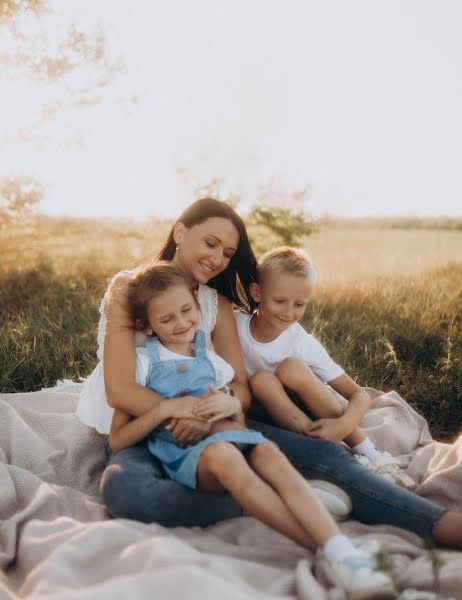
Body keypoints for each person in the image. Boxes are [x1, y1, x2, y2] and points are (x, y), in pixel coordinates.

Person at [77, 197, 462, 555]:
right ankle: (275, 498)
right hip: (142, 427)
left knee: (323, 452)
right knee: (127, 492)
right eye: (210, 243)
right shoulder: (128, 289)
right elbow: (120, 389)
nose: (217, 259)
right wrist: (184, 411)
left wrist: (228, 401)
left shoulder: (216, 303)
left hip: (213, 424)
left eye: (227, 253)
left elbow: (240, 387)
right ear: (180, 232)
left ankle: (437, 522)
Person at [107, 261, 396, 598]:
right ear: (148, 325)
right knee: (225, 456)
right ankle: (334, 556)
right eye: (167, 319)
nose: (182, 323)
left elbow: (239, 422)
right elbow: (118, 439)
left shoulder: (211, 361)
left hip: (228, 436)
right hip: (188, 455)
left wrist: (230, 405)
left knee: (268, 452)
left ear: (196, 305)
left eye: (187, 310)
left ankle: (342, 549)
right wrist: (164, 410)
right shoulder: (143, 364)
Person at [235, 246, 416, 489]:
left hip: (302, 412)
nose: (289, 312)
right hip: (256, 409)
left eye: (299, 304)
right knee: (261, 381)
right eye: (280, 301)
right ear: (256, 292)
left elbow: (358, 395)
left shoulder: (300, 343)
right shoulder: (234, 325)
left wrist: (344, 424)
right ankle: (323, 452)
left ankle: (371, 454)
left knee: (291, 368)